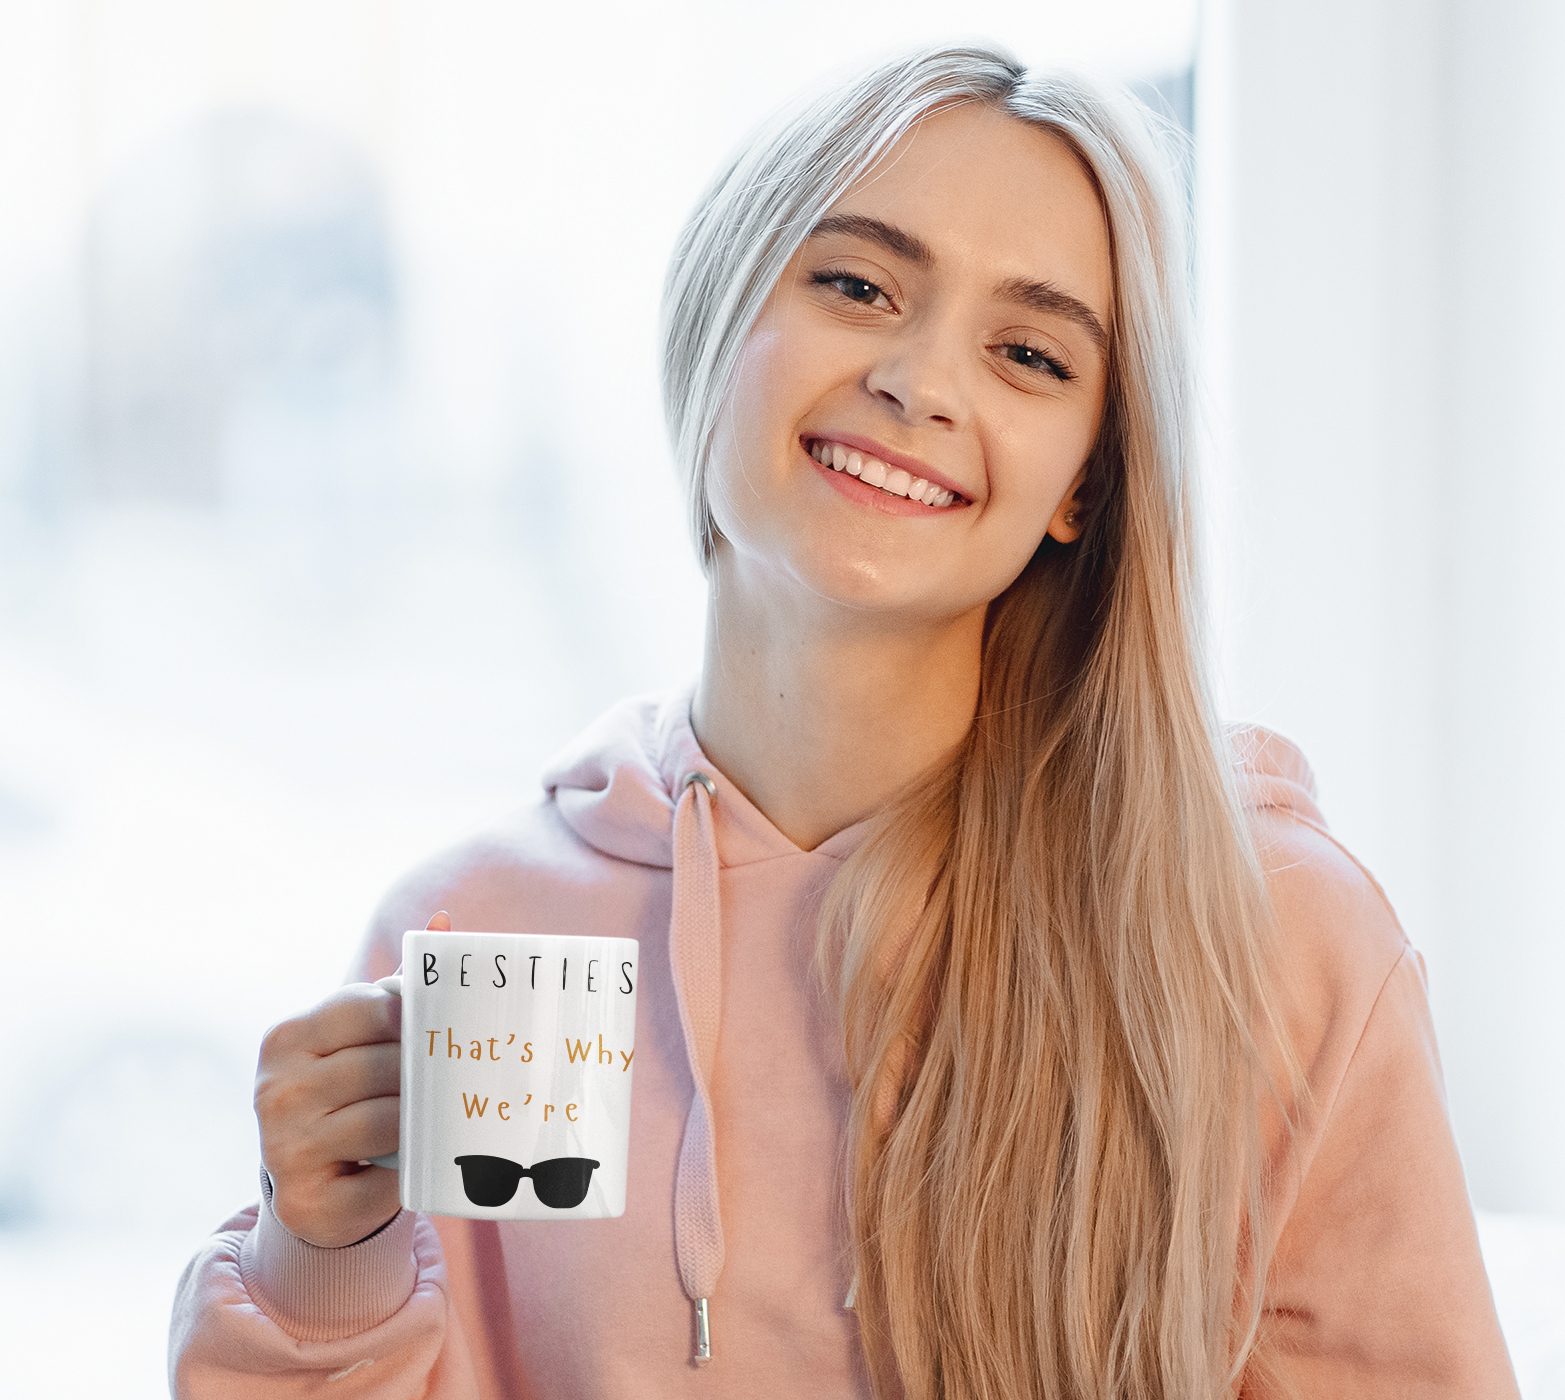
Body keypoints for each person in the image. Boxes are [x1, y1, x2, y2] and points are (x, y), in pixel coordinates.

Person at [169, 43, 1517, 1399]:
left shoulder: (1273, 940)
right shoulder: (477, 928)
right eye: (858, 284)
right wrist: (324, 1259)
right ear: (717, 319)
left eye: (1031, 353)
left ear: (1083, 489)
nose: (923, 382)